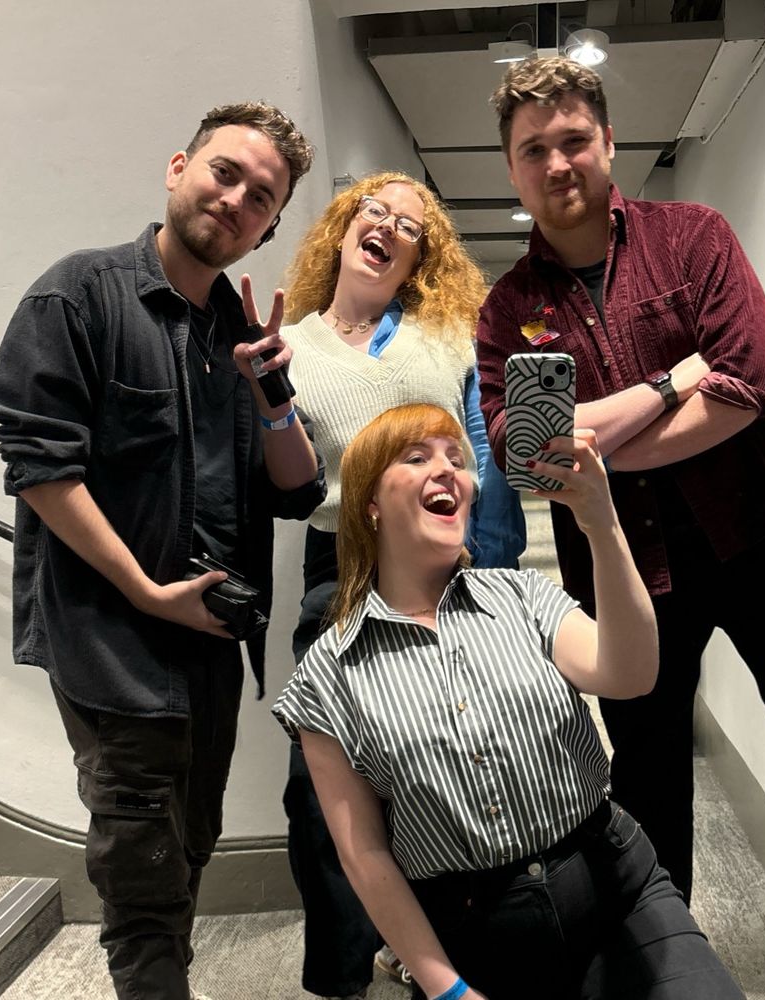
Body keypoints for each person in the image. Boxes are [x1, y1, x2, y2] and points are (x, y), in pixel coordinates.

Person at [474, 54, 765, 985]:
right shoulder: (510, 310)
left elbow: (753, 380)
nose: (558, 162)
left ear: (609, 143)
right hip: (627, 572)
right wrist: (669, 383)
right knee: (649, 763)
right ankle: (667, 947)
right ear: (512, 169)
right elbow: (523, 449)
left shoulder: (693, 238)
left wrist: (594, 440)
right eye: (533, 148)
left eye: (574, 139)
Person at [0, 102, 326, 1000]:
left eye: (262, 196)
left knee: (190, 842)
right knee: (139, 870)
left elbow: (299, 492)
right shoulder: (80, 295)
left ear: (268, 228)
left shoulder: (241, 339)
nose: (236, 198)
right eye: (226, 172)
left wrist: (273, 394)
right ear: (179, 168)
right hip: (112, 641)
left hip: (211, 645)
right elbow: (37, 466)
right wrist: (145, 590)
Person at [272, 402, 747, 1000]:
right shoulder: (327, 676)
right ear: (369, 504)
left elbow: (631, 674)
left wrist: (602, 522)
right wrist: (447, 990)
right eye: (417, 458)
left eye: (457, 460)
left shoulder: (522, 596)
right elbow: (365, 854)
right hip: (474, 931)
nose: (448, 472)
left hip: (615, 887)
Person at [279, 171, 526, 999]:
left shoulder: (445, 332)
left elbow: (481, 457)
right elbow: (289, 482)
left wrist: (489, 576)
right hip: (341, 574)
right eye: (373, 212)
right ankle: (342, 978)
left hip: (453, 562)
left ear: (421, 257)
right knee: (324, 797)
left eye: (409, 226)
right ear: (345, 229)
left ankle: (444, 955)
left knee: (455, 762)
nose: (387, 227)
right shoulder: (295, 345)